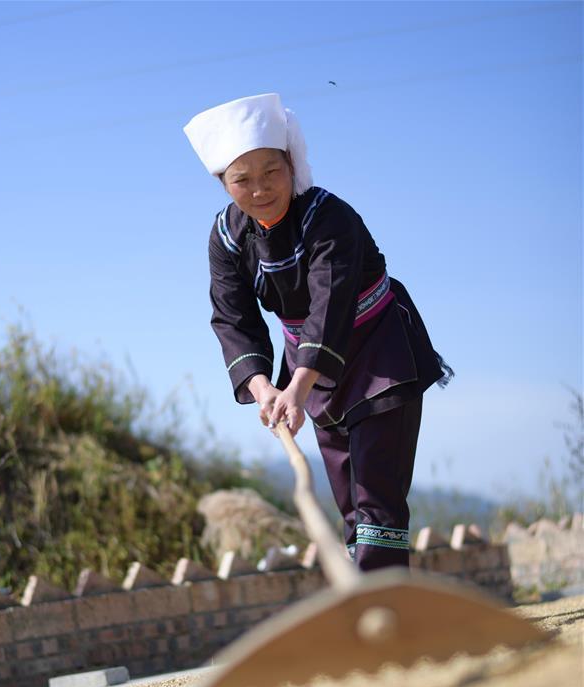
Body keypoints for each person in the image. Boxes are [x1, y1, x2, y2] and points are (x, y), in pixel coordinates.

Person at [184, 93, 453, 571]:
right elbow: (232, 315)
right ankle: (374, 611)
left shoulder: (329, 217)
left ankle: (381, 612)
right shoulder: (226, 237)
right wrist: (264, 386)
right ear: (223, 183)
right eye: (241, 180)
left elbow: (330, 302)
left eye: (271, 172)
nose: (260, 189)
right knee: (349, 499)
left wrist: (297, 386)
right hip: (311, 372)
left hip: (378, 353)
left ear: (291, 162)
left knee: (375, 494)